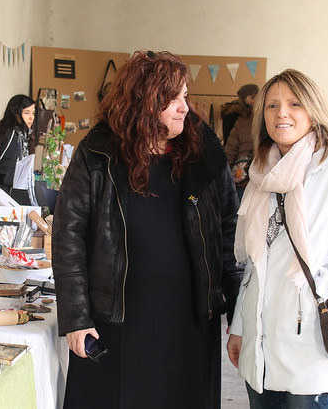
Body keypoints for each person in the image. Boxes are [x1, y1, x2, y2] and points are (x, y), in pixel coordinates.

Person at [52, 51, 242, 409]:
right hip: (117, 317)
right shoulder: (98, 152)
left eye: (185, 96)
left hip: (188, 319)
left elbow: (229, 230)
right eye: (172, 98)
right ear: (143, 100)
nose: (184, 107)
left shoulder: (204, 151)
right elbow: (68, 237)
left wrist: (237, 310)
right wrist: (76, 318)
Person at [227, 69, 328, 409]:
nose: (281, 113)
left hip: (309, 340)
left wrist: (310, 293)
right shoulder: (260, 173)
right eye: (272, 105)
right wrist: (239, 326)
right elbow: (254, 261)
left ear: (313, 110)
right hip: (259, 342)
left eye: (294, 103)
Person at [225, 84, 260, 200]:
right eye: (258, 95)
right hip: (254, 176)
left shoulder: (240, 121)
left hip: (242, 176)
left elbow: (229, 151)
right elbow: (230, 150)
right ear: (249, 99)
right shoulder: (264, 120)